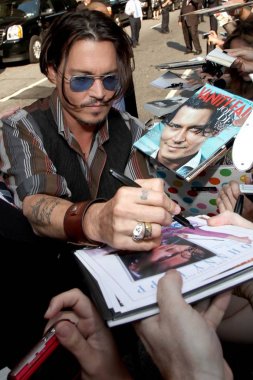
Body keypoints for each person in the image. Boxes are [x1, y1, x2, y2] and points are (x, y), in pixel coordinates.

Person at [0, 9, 180, 252]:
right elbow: (36, 202)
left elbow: (145, 196)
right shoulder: (23, 125)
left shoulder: (131, 129)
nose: (99, 93)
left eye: (109, 79)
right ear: (52, 72)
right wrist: (94, 219)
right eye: (82, 80)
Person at [153, 97, 233, 177]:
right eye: (175, 125)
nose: (177, 139)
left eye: (195, 129)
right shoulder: (142, 150)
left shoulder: (210, 172)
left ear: (214, 133)